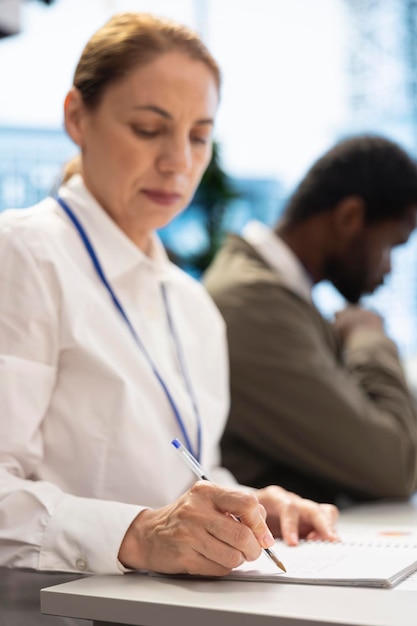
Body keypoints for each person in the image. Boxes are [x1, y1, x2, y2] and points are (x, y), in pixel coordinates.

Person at [0, 12, 338, 578]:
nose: (179, 161)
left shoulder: (190, 303)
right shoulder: (23, 256)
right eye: (149, 129)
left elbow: (179, 478)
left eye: (199, 136)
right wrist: (137, 534)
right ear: (77, 117)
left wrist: (247, 508)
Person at [204, 135, 417, 507]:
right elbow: (395, 465)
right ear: (350, 217)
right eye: (391, 245)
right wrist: (369, 339)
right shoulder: (253, 304)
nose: (387, 268)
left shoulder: (282, 297)